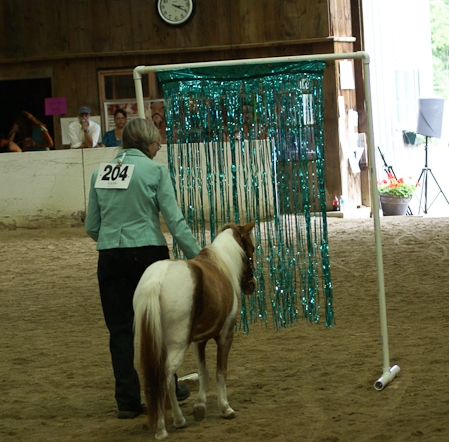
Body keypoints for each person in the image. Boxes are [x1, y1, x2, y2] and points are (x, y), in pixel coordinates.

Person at [85, 118, 200, 419]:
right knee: (158, 325)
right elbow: (174, 222)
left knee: (120, 330)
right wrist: (199, 256)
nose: (158, 148)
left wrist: (112, 241)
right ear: (146, 144)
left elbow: (91, 226)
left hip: (109, 256)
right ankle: (169, 389)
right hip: (148, 254)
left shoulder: (101, 171)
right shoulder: (155, 171)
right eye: (156, 143)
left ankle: (126, 401)